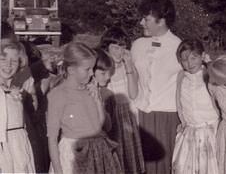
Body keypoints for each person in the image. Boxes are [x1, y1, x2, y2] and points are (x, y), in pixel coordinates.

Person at [47, 42, 121, 174]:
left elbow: (101, 126)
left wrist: (98, 100)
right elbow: (52, 138)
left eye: (93, 68)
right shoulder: (58, 94)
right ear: (71, 70)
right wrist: (58, 169)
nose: (92, 73)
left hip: (97, 153)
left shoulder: (90, 90)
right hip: (74, 154)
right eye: (87, 69)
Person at [131, 0, 182, 173]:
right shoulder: (137, 45)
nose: (141, 23)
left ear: (161, 21)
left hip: (167, 117)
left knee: (163, 166)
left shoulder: (179, 47)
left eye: (146, 19)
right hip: (141, 115)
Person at [98, 28, 145, 174]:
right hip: (108, 116)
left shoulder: (128, 68)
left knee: (129, 159)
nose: (119, 52)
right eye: (115, 48)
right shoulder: (103, 69)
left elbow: (133, 94)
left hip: (126, 117)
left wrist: (129, 66)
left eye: (123, 48)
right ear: (106, 48)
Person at [172, 39, 219, 174]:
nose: (190, 63)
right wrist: (184, 122)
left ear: (202, 56)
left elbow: (219, 103)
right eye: (185, 60)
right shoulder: (181, 76)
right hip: (189, 133)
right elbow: (179, 103)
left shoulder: (209, 75)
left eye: (194, 57)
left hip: (209, 132)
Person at [0, 40, 35, 173]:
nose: (8, 65)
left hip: (19, 145)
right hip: (4, 148)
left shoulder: (16, 90)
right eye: (3, 59)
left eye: (14, 61)